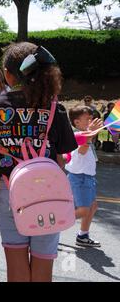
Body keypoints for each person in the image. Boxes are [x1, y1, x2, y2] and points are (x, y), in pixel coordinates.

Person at [0, 43, 78, 282]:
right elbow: (61, 157)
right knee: (44, 262)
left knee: (16, 264)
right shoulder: (55, 109)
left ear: (8, 75)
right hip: (50, 195)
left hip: (12, 194)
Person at [66, 106, 103, 248]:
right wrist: (90, 135)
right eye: (87, 119)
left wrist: (91, 133)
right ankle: (53, 226)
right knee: (83, 210)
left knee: (92, 206)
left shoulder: (85, 135)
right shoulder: (78, 136)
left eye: (91, 118)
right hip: (79, 178)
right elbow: (82, 150)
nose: (91, 120)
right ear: (76, 122)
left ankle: (83, 235)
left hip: (87, 177)